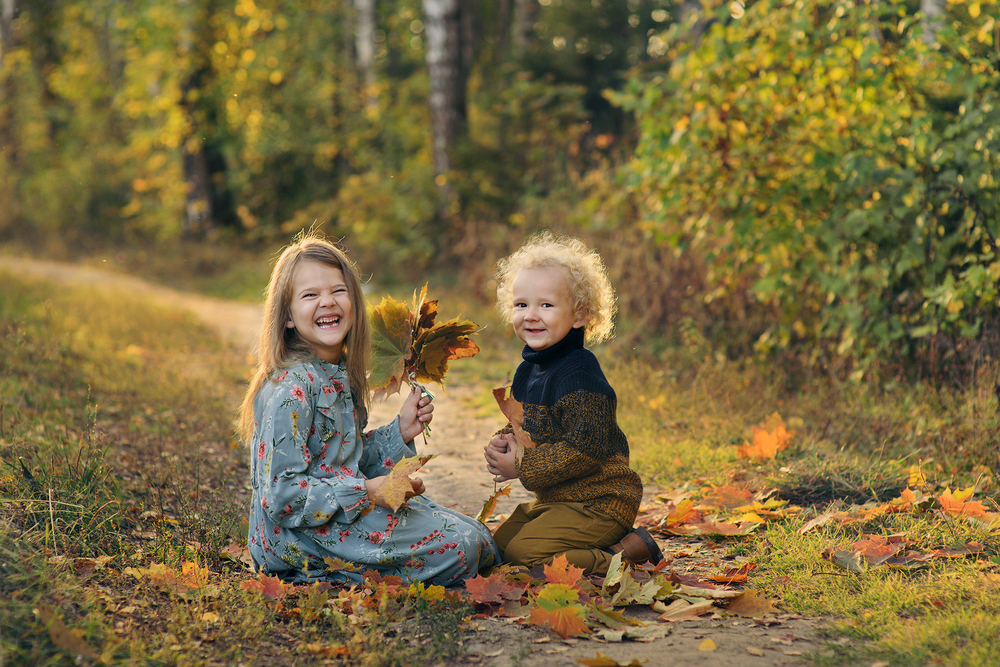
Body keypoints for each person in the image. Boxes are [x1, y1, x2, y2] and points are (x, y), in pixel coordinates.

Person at [239, 232, 498, 585]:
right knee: (463, 548)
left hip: (336, 515)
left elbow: (343, 460)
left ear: (354, 302)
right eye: (310, 295)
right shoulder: (292, 390)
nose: (327, 302)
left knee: (480, 537)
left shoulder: (340, 374)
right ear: (286, 316)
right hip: (296, 540)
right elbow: (282, 497)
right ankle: (328, 576)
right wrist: (368, 492)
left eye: (338, 291)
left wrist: (400, 431)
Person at [483, 232, 662, 575]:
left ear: (578, 315)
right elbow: (528, 425)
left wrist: (520, 466)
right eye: (522, 305)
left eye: (546, 305)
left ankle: (623, 554)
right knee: (497, 548)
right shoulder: (528, 370)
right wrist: (506, 440)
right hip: (558, 501)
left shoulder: (579, 375)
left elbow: (586, 448)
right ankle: (596, 548)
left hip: (600, 502)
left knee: (525, 558)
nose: (531, 315)